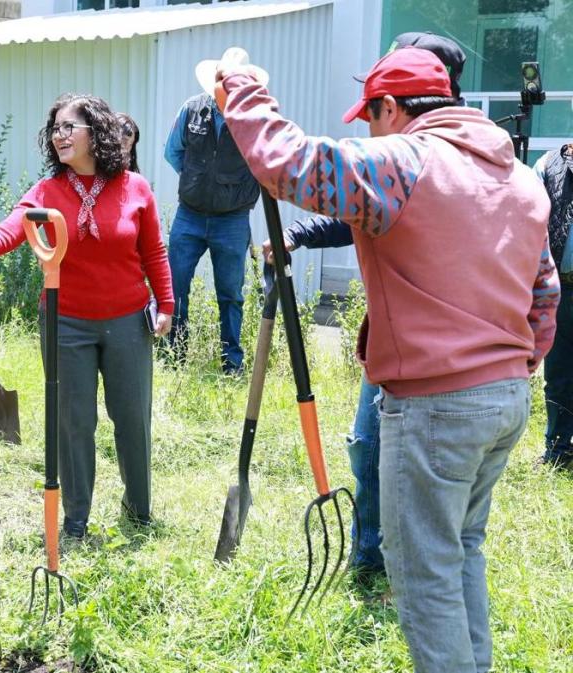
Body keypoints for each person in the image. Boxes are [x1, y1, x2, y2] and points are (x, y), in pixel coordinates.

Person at [217, 46, 558, 672]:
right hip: (506, 397)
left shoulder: (405, 161)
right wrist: (516, 365)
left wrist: (238, 83)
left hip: (435, 406)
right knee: (461, 551)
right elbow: (544, 291)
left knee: (423, 576)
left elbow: (289, 164)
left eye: (370, 117)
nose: (368, 132)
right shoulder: (520, 178)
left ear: (393, 107)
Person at [260, 32, 469, 585]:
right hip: (394, 335)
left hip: (432, 352)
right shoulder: (432, 149)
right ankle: (371, 554)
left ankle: (407, 567)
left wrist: (248, 108)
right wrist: (299, 234)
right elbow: (352, 211)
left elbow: (307, 172)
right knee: (367, 445)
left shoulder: (437, 155)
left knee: (412, 468)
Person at [0, 94, 174, 538]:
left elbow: (153, 250)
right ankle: (76, 519)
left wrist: (167, 303)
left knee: (132, 416)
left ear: (95, 132)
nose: (59, 135)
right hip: (66, 323)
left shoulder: (135, 187)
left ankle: (139, 510)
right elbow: (8, 233)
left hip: (127, 321)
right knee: (74, 421)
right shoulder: (47, 191)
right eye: (55, 128)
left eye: (68, 127)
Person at [163, 80, 260, 375]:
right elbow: (173, 152)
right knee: (175, 285)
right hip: (189, 214)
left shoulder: (254, 119)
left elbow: (265, 163)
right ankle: (173, 356)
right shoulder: (191, 110)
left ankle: (232, 363)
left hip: (232, 218)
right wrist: (197, 181)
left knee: (230, 293)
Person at [533, 144, 573, 471]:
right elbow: (528, 219)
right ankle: (559, 449)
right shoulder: (548, 165)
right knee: (558, 373)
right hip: (562, 288)